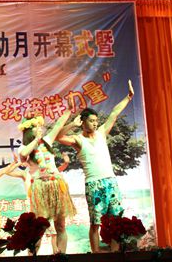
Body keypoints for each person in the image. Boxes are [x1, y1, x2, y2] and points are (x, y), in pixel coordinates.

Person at [57, 80, 134, 253]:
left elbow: (114, 113)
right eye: (91, 121)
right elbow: (58, 137)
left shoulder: (101, 133)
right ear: (83, 122)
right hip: (94, 184)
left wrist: (128, 97)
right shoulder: (78, 139)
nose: (95, 124)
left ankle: (115, 252)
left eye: (96, 121)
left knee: (116, 220)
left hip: (110, 182)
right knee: (95, 223)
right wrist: (72, 124)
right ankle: (96, 253)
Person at [18, 110, 76, 255]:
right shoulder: (24, 147)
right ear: (29, 131)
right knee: (39, 228)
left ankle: (61, 257)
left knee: (60, 226)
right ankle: (32, 256)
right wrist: (36, 140)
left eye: (40, 126)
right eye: (36, 127)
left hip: (56, 185)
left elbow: (58, 125)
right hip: (40, 188)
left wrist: (68, 110)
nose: (40, 129)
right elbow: (23, 154)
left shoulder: (47, 141)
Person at [5, 152, 70, 254]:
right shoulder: (25, 174)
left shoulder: (44, 172)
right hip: (35, 206)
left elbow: (58, 170)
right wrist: (17, 163)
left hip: (49, 204)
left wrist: (66, 163)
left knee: (54, 232)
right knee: (36, 234)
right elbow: (7, 172)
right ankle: (32, 256)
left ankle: (57, 255)